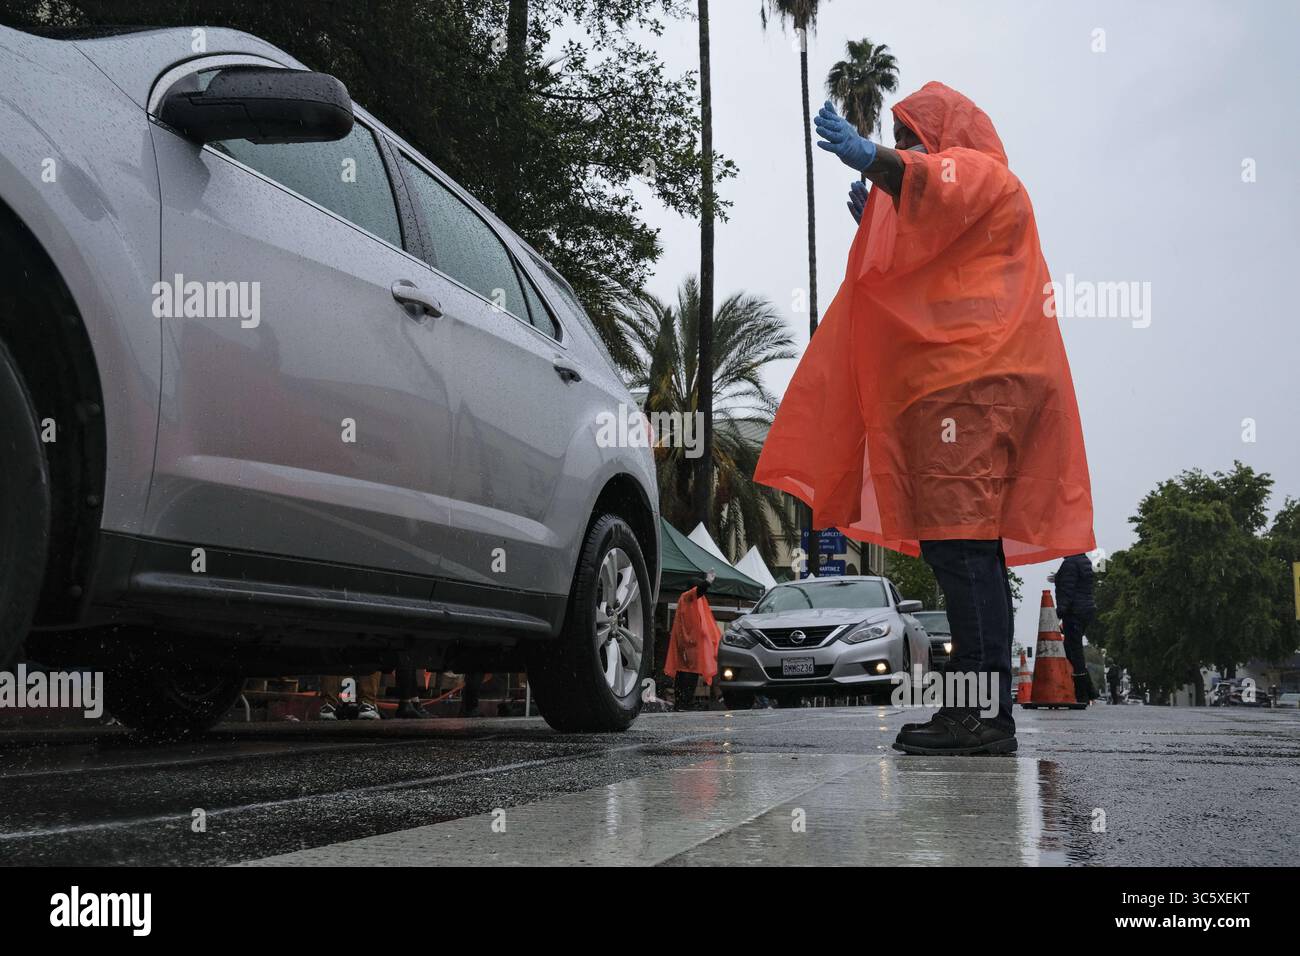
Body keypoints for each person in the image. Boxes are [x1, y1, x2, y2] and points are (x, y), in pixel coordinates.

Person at [755, 83, 1094, 755]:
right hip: (966, 386)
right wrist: (874, 219)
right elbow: (936, 267)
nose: (906, 146)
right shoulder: (975, 204)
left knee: (962, 547)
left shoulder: (981, 172)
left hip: (969, 387)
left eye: (913, 134)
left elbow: (937, 181)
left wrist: (874, 158)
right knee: (965, 547)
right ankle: (977, 710)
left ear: (943, 135)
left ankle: (983, 717)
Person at [665, 571, 721, 711]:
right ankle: (682, 703)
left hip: (693, 646)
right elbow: (699, 590)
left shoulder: (696, 601)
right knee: (686, 674)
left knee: (691, 674)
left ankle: (684, 703)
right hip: (687, 645)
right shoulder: (687, 597)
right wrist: (707, 582)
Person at [1055, 553, 1097, 703]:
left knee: (1074, 650)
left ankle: (1083, 693)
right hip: (1085, 609)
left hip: (1074, 611)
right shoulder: (1084, 560)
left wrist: (1058, 614)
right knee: (1071, 648)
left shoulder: (1070, 563)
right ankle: (1089, 690)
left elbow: (1067, 591)